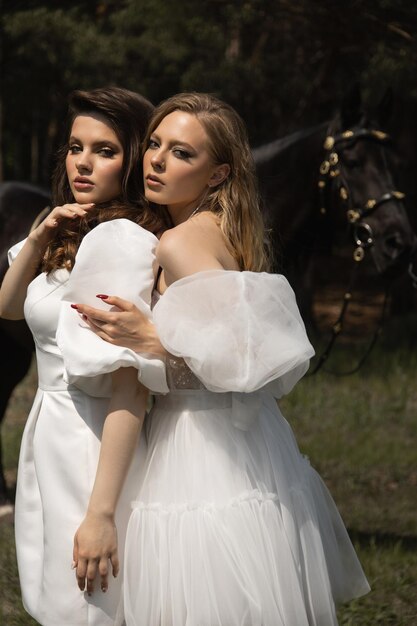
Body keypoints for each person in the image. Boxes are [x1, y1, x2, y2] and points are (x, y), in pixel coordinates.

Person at [71, 92, 370, 626]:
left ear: (217, 175)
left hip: (201, 450)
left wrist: (154, 341)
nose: (157, 160)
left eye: (183, 153)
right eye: (156, 143)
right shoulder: (225, 231)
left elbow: (238, 363)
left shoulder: (179, 244)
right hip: (254, 444)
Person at [0, 86, 170, 626]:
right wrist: (38, 237)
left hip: (93, 437)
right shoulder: (67, 228)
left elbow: (130, 382)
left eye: (105, 150)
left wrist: (100, 513)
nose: (83, 162)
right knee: (56, 598)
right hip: (48, 431)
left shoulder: (126, 241)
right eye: (76, 146)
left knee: (87, 605)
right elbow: (7, 308)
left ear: (134, 158)